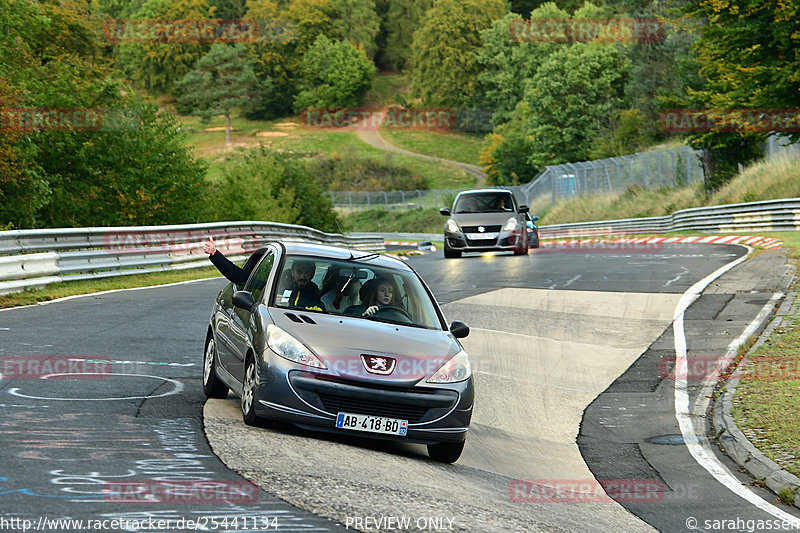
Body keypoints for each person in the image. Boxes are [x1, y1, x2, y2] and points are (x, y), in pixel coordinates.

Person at [203, 237, 324, 312]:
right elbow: (239, 276)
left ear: (313, 274)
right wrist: (215, 254)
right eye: (299, 271)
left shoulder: (316, 296)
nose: (303, 276)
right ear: (292, 272)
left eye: (307, 272)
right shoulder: (274, 285)